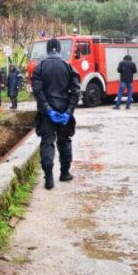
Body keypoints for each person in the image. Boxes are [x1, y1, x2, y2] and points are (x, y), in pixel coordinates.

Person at [31, 38, 81, 189]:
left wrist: (47, 109)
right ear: (59, 50)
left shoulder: (39, 68)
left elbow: (37, 92)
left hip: (47, 113)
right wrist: (68, 111)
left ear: (47, 50)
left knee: (47, 141)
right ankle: (64, 173)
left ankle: (48, 178)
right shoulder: (68, 67)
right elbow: (76, 91)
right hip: (64, 109)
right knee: (64, 140)